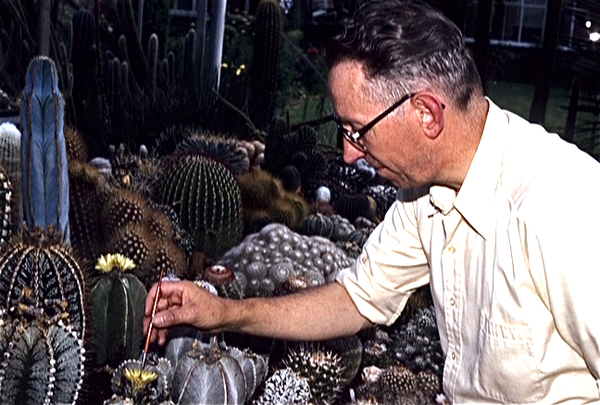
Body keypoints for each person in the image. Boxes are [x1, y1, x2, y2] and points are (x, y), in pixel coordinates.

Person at [144, 1, 600, 403]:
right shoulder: (425, 190)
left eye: (358, 130)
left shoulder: (562, 211)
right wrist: (222, 312)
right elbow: (356, 299)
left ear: (426, 113)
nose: (348, 153)